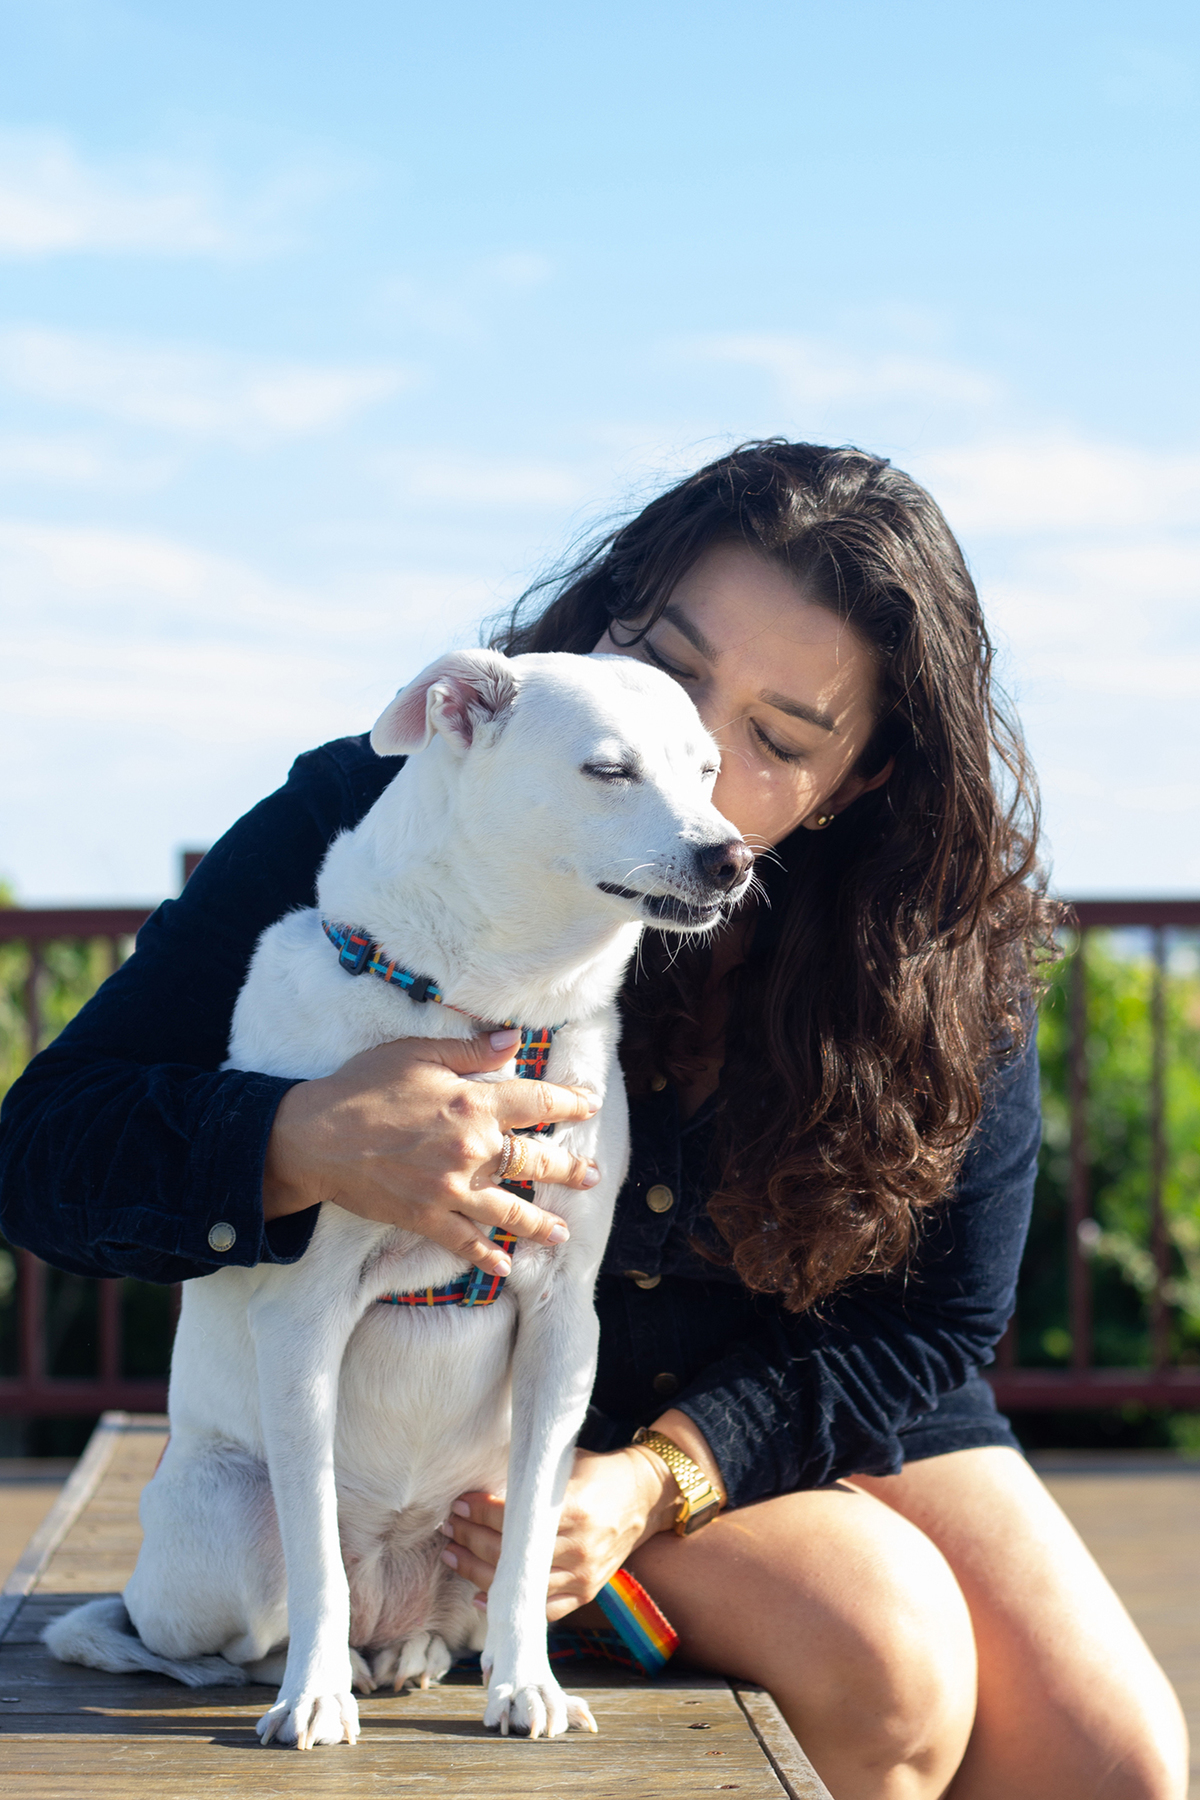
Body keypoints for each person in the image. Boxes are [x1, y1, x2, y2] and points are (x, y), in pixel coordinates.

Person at [0, 442, 1185, 1798]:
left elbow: (935, 1322)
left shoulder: (930, 943)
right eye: (670, 667)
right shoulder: (384, 811)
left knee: (1121, 1767)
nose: (694, 757)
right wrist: (297, 1137)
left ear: (858, 781)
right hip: (488, 1427)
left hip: (805, 1389)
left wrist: (663, 1478)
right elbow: (43, 1151)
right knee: (888, 1657)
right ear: (609, 615)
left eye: (777, 741)